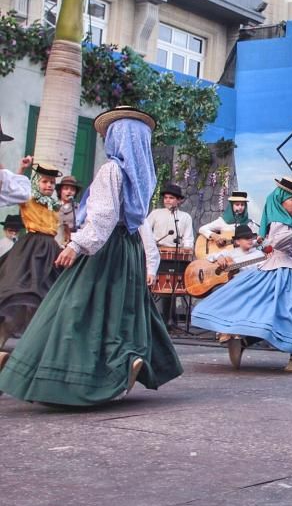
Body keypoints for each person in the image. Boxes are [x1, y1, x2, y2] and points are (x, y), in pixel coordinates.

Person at [0, 106, 182, 405]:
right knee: (119, 311)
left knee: (74, 307)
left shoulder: (112, 169)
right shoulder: (143, 174)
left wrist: (76, 245)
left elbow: (103, 217)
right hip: (129, 248)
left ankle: (63, 377)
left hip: (105, 247)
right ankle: (125, 361)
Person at [191, 177, 292, 373]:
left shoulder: (287, 220)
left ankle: (245, 342)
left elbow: (275, 245)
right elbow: (278, 242)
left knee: (281, 314)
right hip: (286, 273)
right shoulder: (281, 221)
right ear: (281, 200)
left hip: (291, 270)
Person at [0, 163, 65, 349]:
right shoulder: (28, 196)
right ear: (37, 182)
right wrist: (20, 169)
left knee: (48, 294)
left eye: (52, 183)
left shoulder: (54, 205)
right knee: (19, 288)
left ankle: (35, 345)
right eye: (45, 181)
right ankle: (3, 336)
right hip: (31, 248)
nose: (49, 186)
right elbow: (13, 186)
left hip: (51, 249)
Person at [146, 183, 194, 249]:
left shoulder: (186, 217)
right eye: (165, 198)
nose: (167, 200)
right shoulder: (155, 213)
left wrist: (186, 250)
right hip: (156, 250)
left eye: (171, 198)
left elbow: (188, 239)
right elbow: (145, 230)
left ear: (179, 200)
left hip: (177, 253)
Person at [55, 174, 81, 246]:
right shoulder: (53, 206)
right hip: (54, 243)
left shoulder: (79, 208)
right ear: (60, 191)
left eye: (72, 189)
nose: (69, 192)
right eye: (66, 188)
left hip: (71, 245)